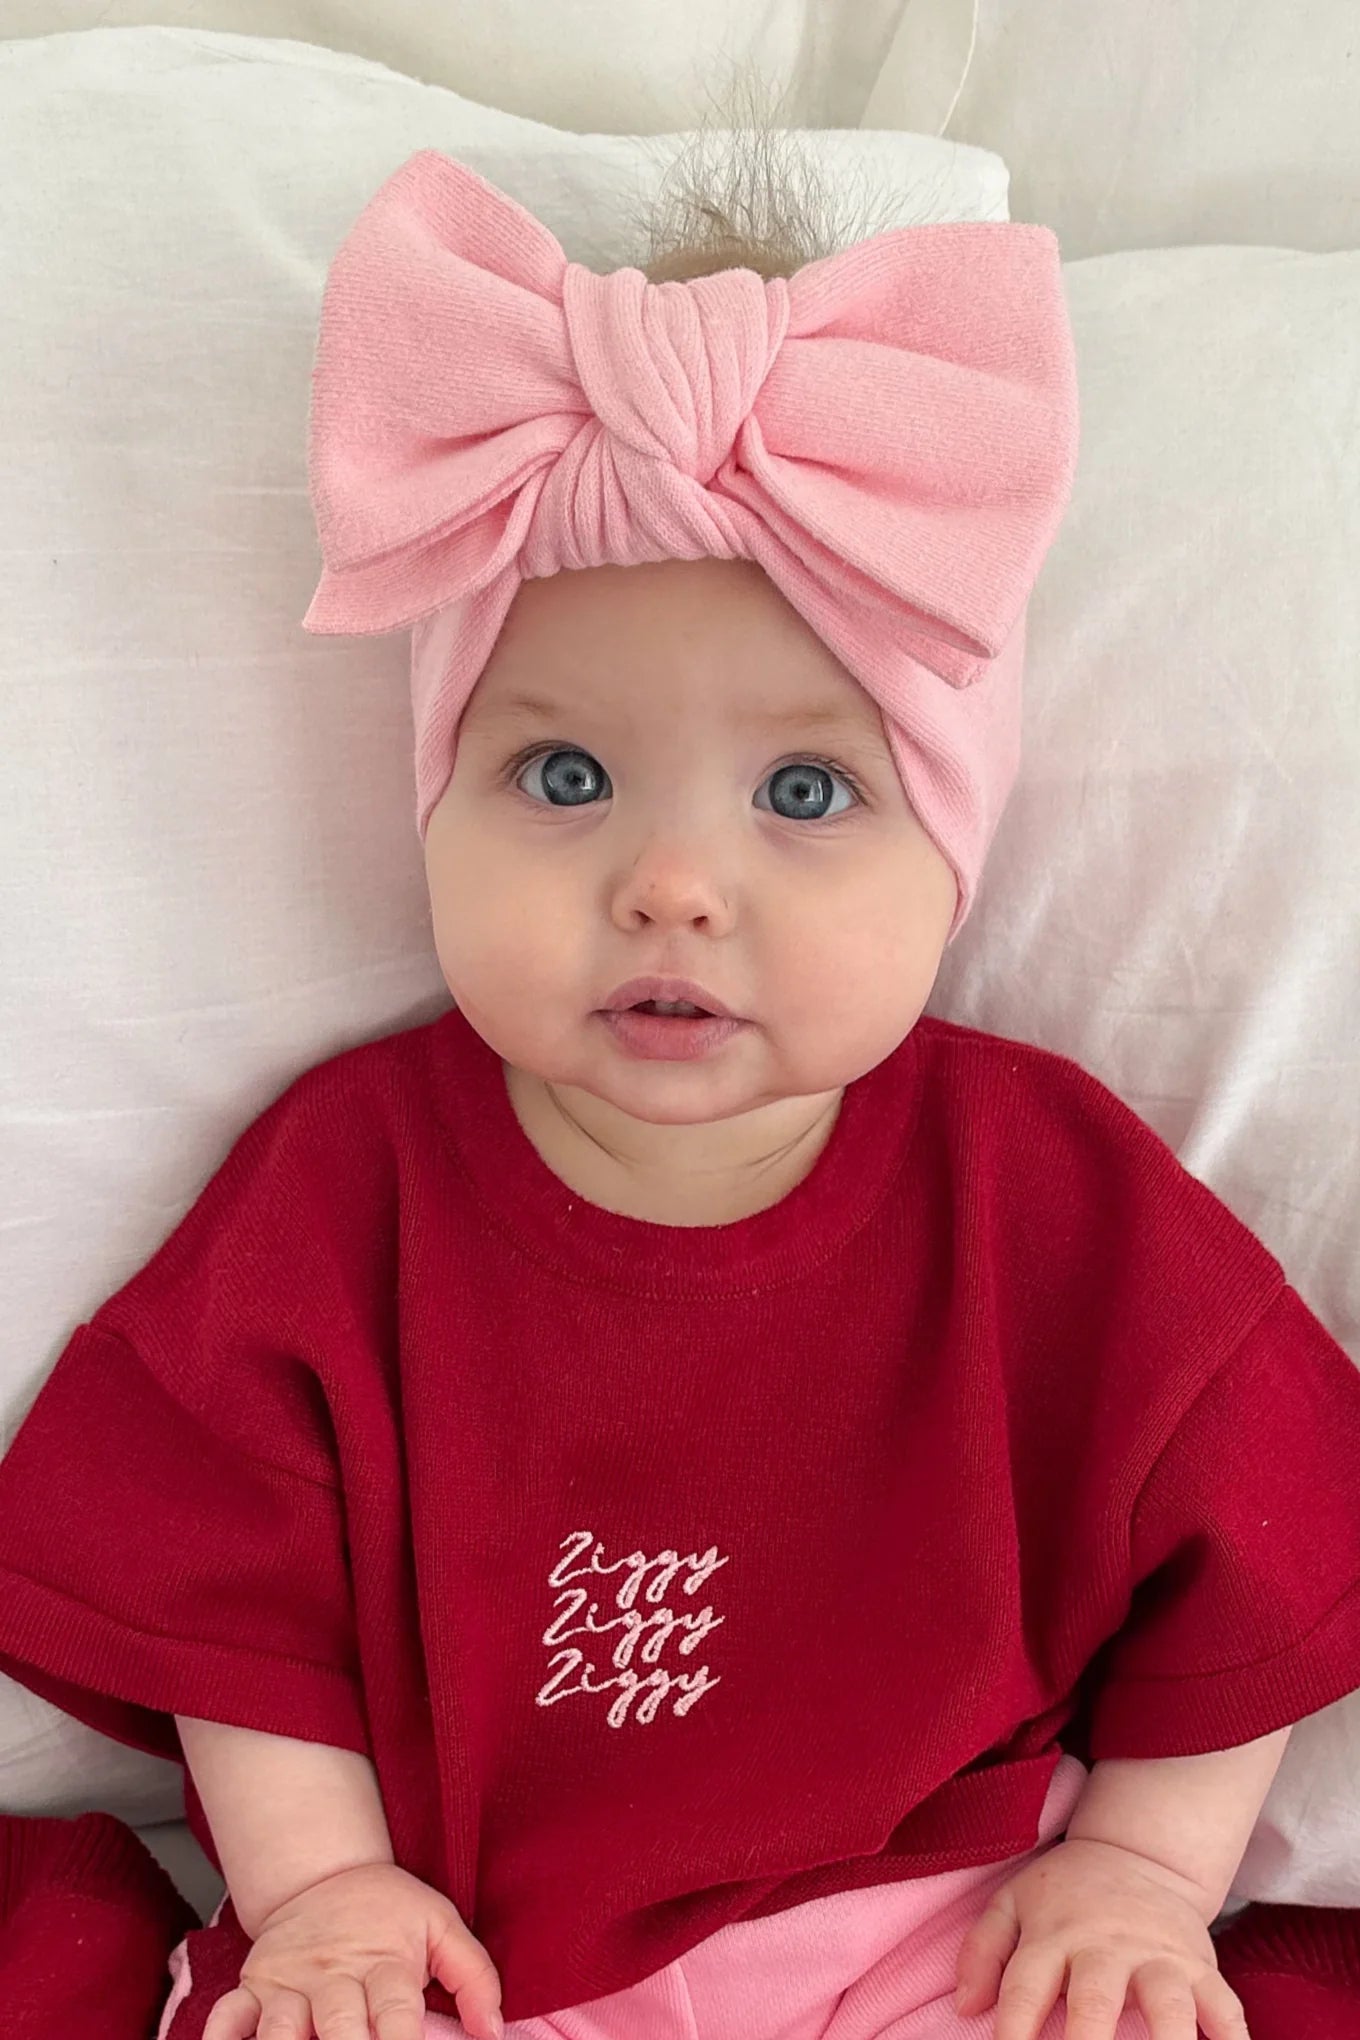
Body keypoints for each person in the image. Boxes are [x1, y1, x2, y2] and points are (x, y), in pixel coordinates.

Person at [2, 130, 1360, 2040]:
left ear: (952, 853)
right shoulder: (347, 1184)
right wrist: (322, 1895)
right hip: (470, 1951)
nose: (672, 885)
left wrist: (1144, 1868)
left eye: (806, 792)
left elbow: (1262, 1545)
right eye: (564, 779)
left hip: (945, 1924)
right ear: (437, 801)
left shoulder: (1044, 1185)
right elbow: (226, 1598)